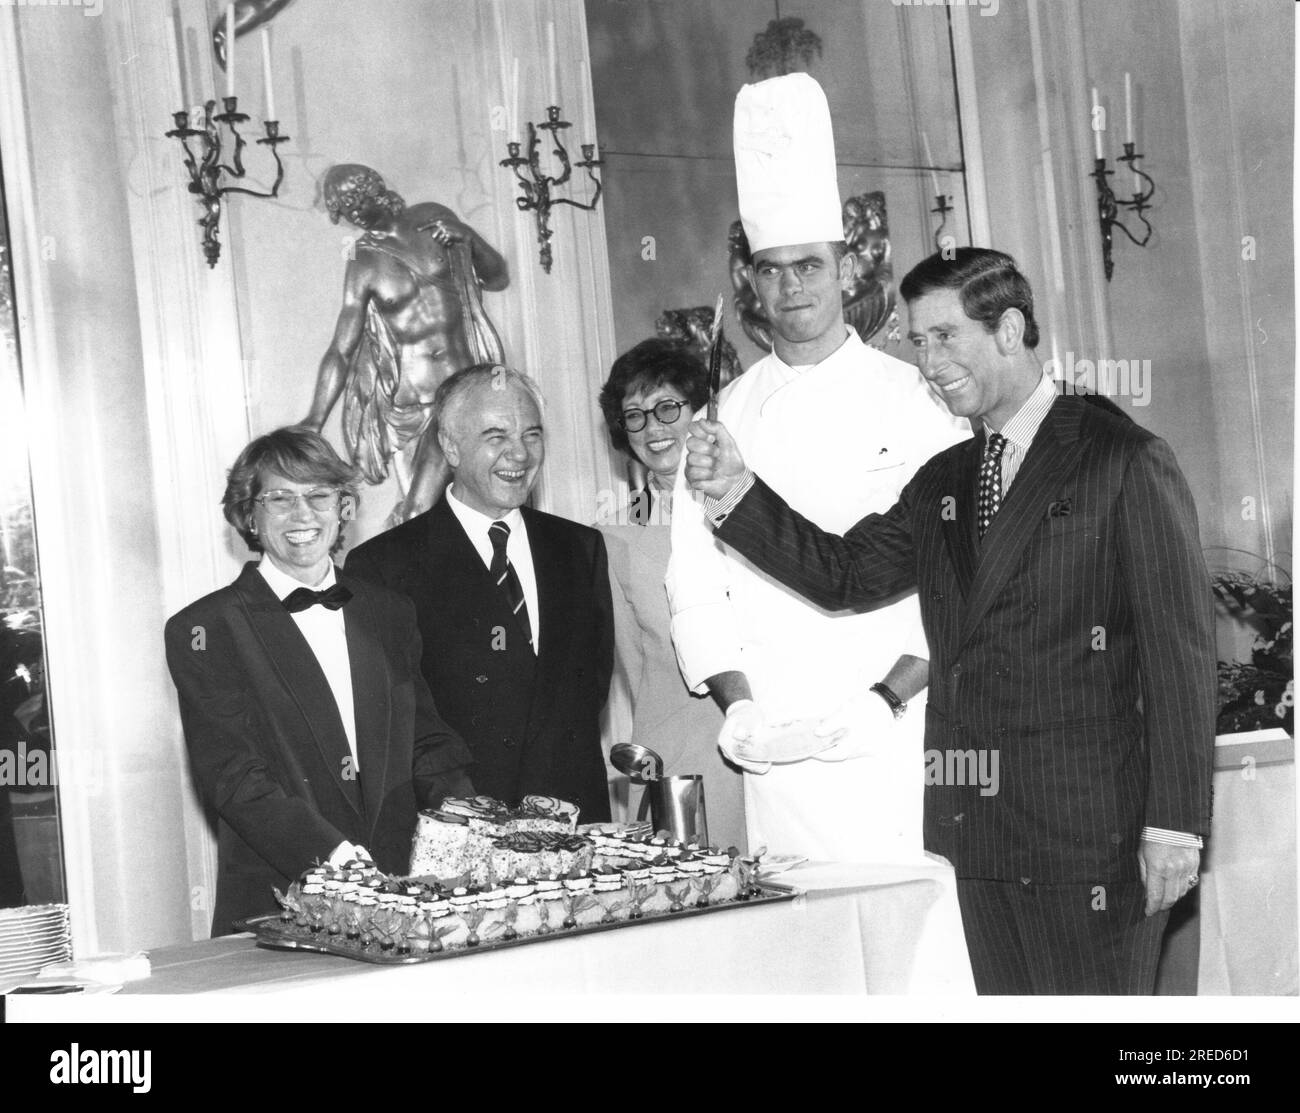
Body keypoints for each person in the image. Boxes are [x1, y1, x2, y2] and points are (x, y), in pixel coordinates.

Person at [684, 247, 1217, 994]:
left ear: (1008, 329)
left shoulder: (1120, 458)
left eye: (945, 336)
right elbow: (844, 573)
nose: (928, 362)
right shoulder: (945, 479)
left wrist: (1176, 825)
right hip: (978, 838)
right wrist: (739, 490)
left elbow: (1180, 657)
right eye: (918, 341)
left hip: (1094, 837)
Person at [667, 72, 968, 862]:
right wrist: (737, 707)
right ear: (751, 284)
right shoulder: (722, 417)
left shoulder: (919, 401)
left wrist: (887, 698)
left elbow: (958, 579)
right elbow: (694, 585)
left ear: (844, 271)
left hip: (897, 736)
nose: (789, 285)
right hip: (776, 753)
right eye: (770, 269)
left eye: (808, 265)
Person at [165, 428, 473, 936]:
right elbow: (235, 777)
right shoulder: (205, 629)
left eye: (318, 496)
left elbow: (426, 741)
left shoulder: (390, 611)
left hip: (408, 892)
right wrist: (336, 858)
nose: (302, 515)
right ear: (249, 516)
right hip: (282, 900)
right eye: (279, 499)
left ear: (343, 508)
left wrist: (467, 822)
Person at [346, 364, 615, 822]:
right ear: (450, 445)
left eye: (532, 435)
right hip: (456, 831)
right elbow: (394, 720)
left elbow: (589, 689)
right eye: (496, 436)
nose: (520, 454)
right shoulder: (383, 566)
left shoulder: (579, 548)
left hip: (574, 822)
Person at [596, 340, 745, 849]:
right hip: (686, 762)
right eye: (634, 416)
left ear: (701, 411)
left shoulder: (755, 504)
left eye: (667, 408)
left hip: (777, 745)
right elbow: (635, 670)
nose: (653, 428)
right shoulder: (614, 537)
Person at [305, 164, 509, 523]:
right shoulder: (360, 258)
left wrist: (468, 237)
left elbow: (497, 277)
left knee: (432, 513)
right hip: (408, 408)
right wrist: (314, 420)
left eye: (355, 203)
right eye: (345, 210)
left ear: (374, 191)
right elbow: (342, 347)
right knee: (426, 520)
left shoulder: (431, 218)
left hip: (462, 394)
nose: (353, 215)